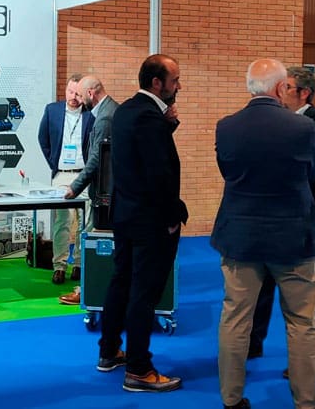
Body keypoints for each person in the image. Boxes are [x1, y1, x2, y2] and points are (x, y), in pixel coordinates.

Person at [212, 59, 315, 409]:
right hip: (293, 238)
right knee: (301, 322)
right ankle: (307, 402)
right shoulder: (303, 127)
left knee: (235, 319)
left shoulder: (226, 126)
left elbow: (227, 171)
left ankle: (231, 399)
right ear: (280, 88)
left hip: (241, 237)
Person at [96, 54, 186, 393]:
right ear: (157, 83)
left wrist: (167, 125)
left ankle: (109, 351)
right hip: (150, 219)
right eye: (174, 81)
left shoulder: (127, 111)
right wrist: (172, 218)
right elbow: (158, 173)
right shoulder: (149, 117)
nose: (179, 87)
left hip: (126, 215)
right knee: (144, 292)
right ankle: (138, 369)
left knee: (121, 282)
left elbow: (139, 153)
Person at [248, 66, 315, 376]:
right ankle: (252, 344)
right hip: (271, 216)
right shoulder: (279, 122)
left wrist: (296, 176)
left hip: (307, 218)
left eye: (287, 87)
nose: (281, 91)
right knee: (262, 283)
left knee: (310, 292)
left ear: (304, 93)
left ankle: (310, 358)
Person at [58, 75, 119, 305]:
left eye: (81, 95)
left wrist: (74, 187)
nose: (79, 100)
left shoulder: (105, 118)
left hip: (105, 193)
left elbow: (96, 159)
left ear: (91, 94)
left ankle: (87, 291)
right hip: (108, 192)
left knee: (91, 239)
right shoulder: (111, 110)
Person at [36, 74, 93, 284]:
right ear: (65, 90)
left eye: (78, 94)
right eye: (70, 92)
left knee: (86, 222)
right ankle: (59, 265)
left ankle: (79, 264)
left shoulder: (91, 114)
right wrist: (54, 163)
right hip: (62, 175)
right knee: (63, 221)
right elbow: (43, 139)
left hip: (85, 175)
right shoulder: (52, 110)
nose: (73, 97)